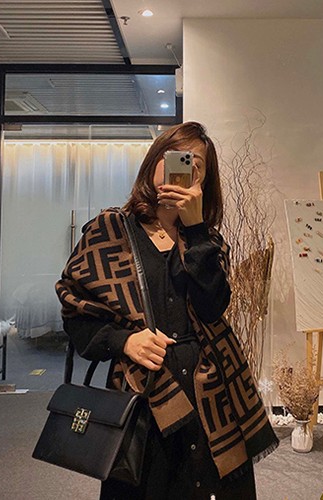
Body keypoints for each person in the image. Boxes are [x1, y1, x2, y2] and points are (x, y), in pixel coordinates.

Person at [55, 121, 279, 499]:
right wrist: (124, 341)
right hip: (142, 395)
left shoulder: (209, 241)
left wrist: (195, 229)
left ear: (205, 182)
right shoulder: (109, 231)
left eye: (196, 165)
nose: (182, 169)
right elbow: (75, 311)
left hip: (209, 394)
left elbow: (212, 308)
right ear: (153, 163)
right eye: (174, 157)